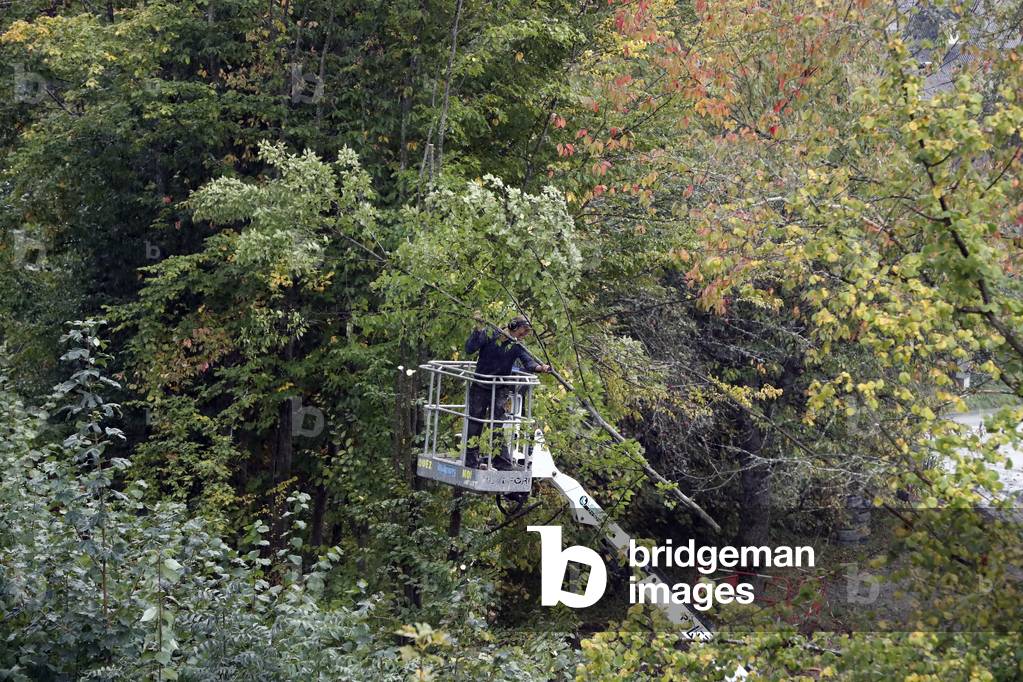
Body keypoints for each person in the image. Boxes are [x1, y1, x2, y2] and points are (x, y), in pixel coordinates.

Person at [463, 313, 551, 468]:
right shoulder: (489, 334)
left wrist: (541, 368)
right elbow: (470, 348)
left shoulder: (516, 345)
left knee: (497, 424)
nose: (524, 336)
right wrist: (478, 329)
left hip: (500, 388)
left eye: (526, 333)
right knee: (475, 424)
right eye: (522, 331)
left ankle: (501, 462)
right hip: (480, 385)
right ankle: (470, 461)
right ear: (513, 326)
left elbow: (528, 362)